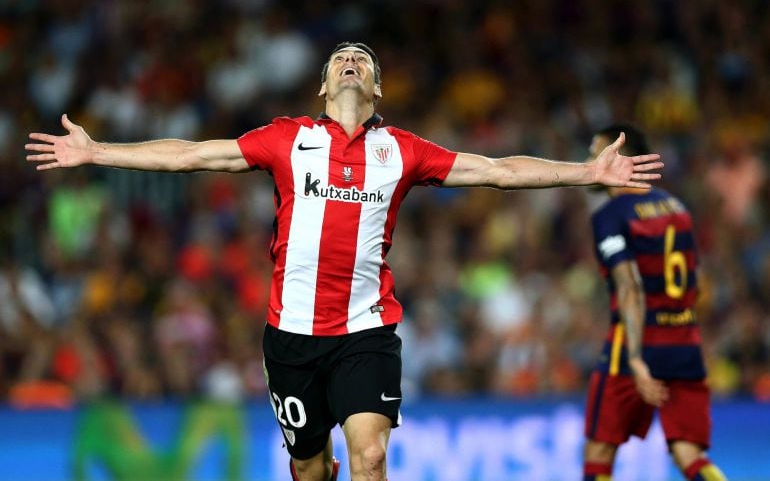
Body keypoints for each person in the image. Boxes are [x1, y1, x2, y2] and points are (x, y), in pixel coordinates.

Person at [27, 42, 663, 481]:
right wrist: (98, 152)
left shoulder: (402, 150)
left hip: (365, 332)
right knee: (309, 469)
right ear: (324, 85)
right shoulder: (286, 139)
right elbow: (192, 155)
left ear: (377, 88)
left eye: (362, 59)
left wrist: (587, 171)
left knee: (371, 458)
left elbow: (496, 171)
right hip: (291, 339)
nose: (351, 62)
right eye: (340, 59)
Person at [581, 124, 727, 481]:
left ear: (621, 158)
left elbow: (629, 286)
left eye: (595, 152)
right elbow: (697, 282)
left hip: (633, 345)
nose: (588, 161)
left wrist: (635, 358)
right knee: (689, 454)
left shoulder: (611, 215)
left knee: (599, 451)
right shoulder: (677, 206)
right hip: (684, 342)